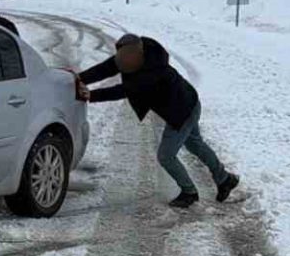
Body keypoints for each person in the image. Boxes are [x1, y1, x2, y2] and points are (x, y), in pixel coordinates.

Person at [77, 34, 239, 208]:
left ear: (139, 52)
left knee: (166, 156)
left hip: (182, 112)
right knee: (195, 144)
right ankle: (225, 179)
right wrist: (79, 78)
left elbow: (124, 90)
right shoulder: (134, 56)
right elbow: (106, 68)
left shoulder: (153, 71)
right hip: (188, 101)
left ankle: (189, 192)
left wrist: (91, 95)